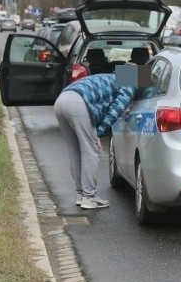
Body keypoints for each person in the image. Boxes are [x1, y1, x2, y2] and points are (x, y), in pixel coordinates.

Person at [53, 73, 136, 209]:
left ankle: (80, 194)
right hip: (79, 104)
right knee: (91, 151)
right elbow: (117, 108)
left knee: (75, 151)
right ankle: (89, 197)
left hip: (62, 100)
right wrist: (99, 132)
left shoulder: (115, 76)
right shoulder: (133, 81)